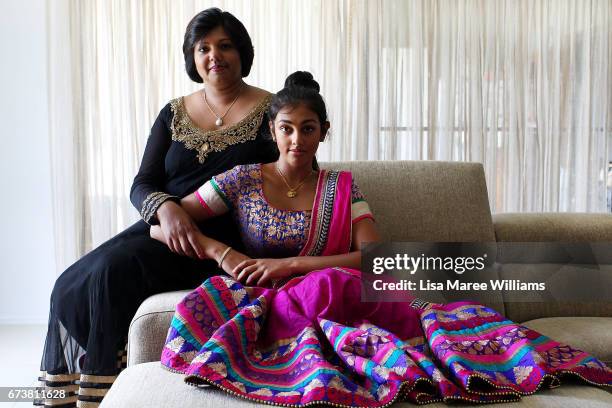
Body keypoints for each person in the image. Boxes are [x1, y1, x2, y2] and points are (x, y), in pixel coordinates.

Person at [156, 71, 612, 407]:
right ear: (272, 131)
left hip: (340, 288)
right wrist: (223, 251)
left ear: (324, 133)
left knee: (334, 284)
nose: (297, 140)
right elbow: (166, 222)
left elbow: (375, 259)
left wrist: (292, 265)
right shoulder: (241, 180)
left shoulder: (343, 188)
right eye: (287, 128)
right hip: (271, 297)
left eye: (309, 129)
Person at [38, 8, 278, 408]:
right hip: (161, 227)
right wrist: (166, 210)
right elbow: (142, 183)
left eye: (225, 46)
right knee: (67, 286)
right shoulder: (173, 112)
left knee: (110, 275)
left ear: (242, 52)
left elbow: (291, 176)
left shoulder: (270, 112)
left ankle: (100, 397)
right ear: (192, 56)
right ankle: (65, 397)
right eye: (203, 48)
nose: (214, 56)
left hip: (220, 243)